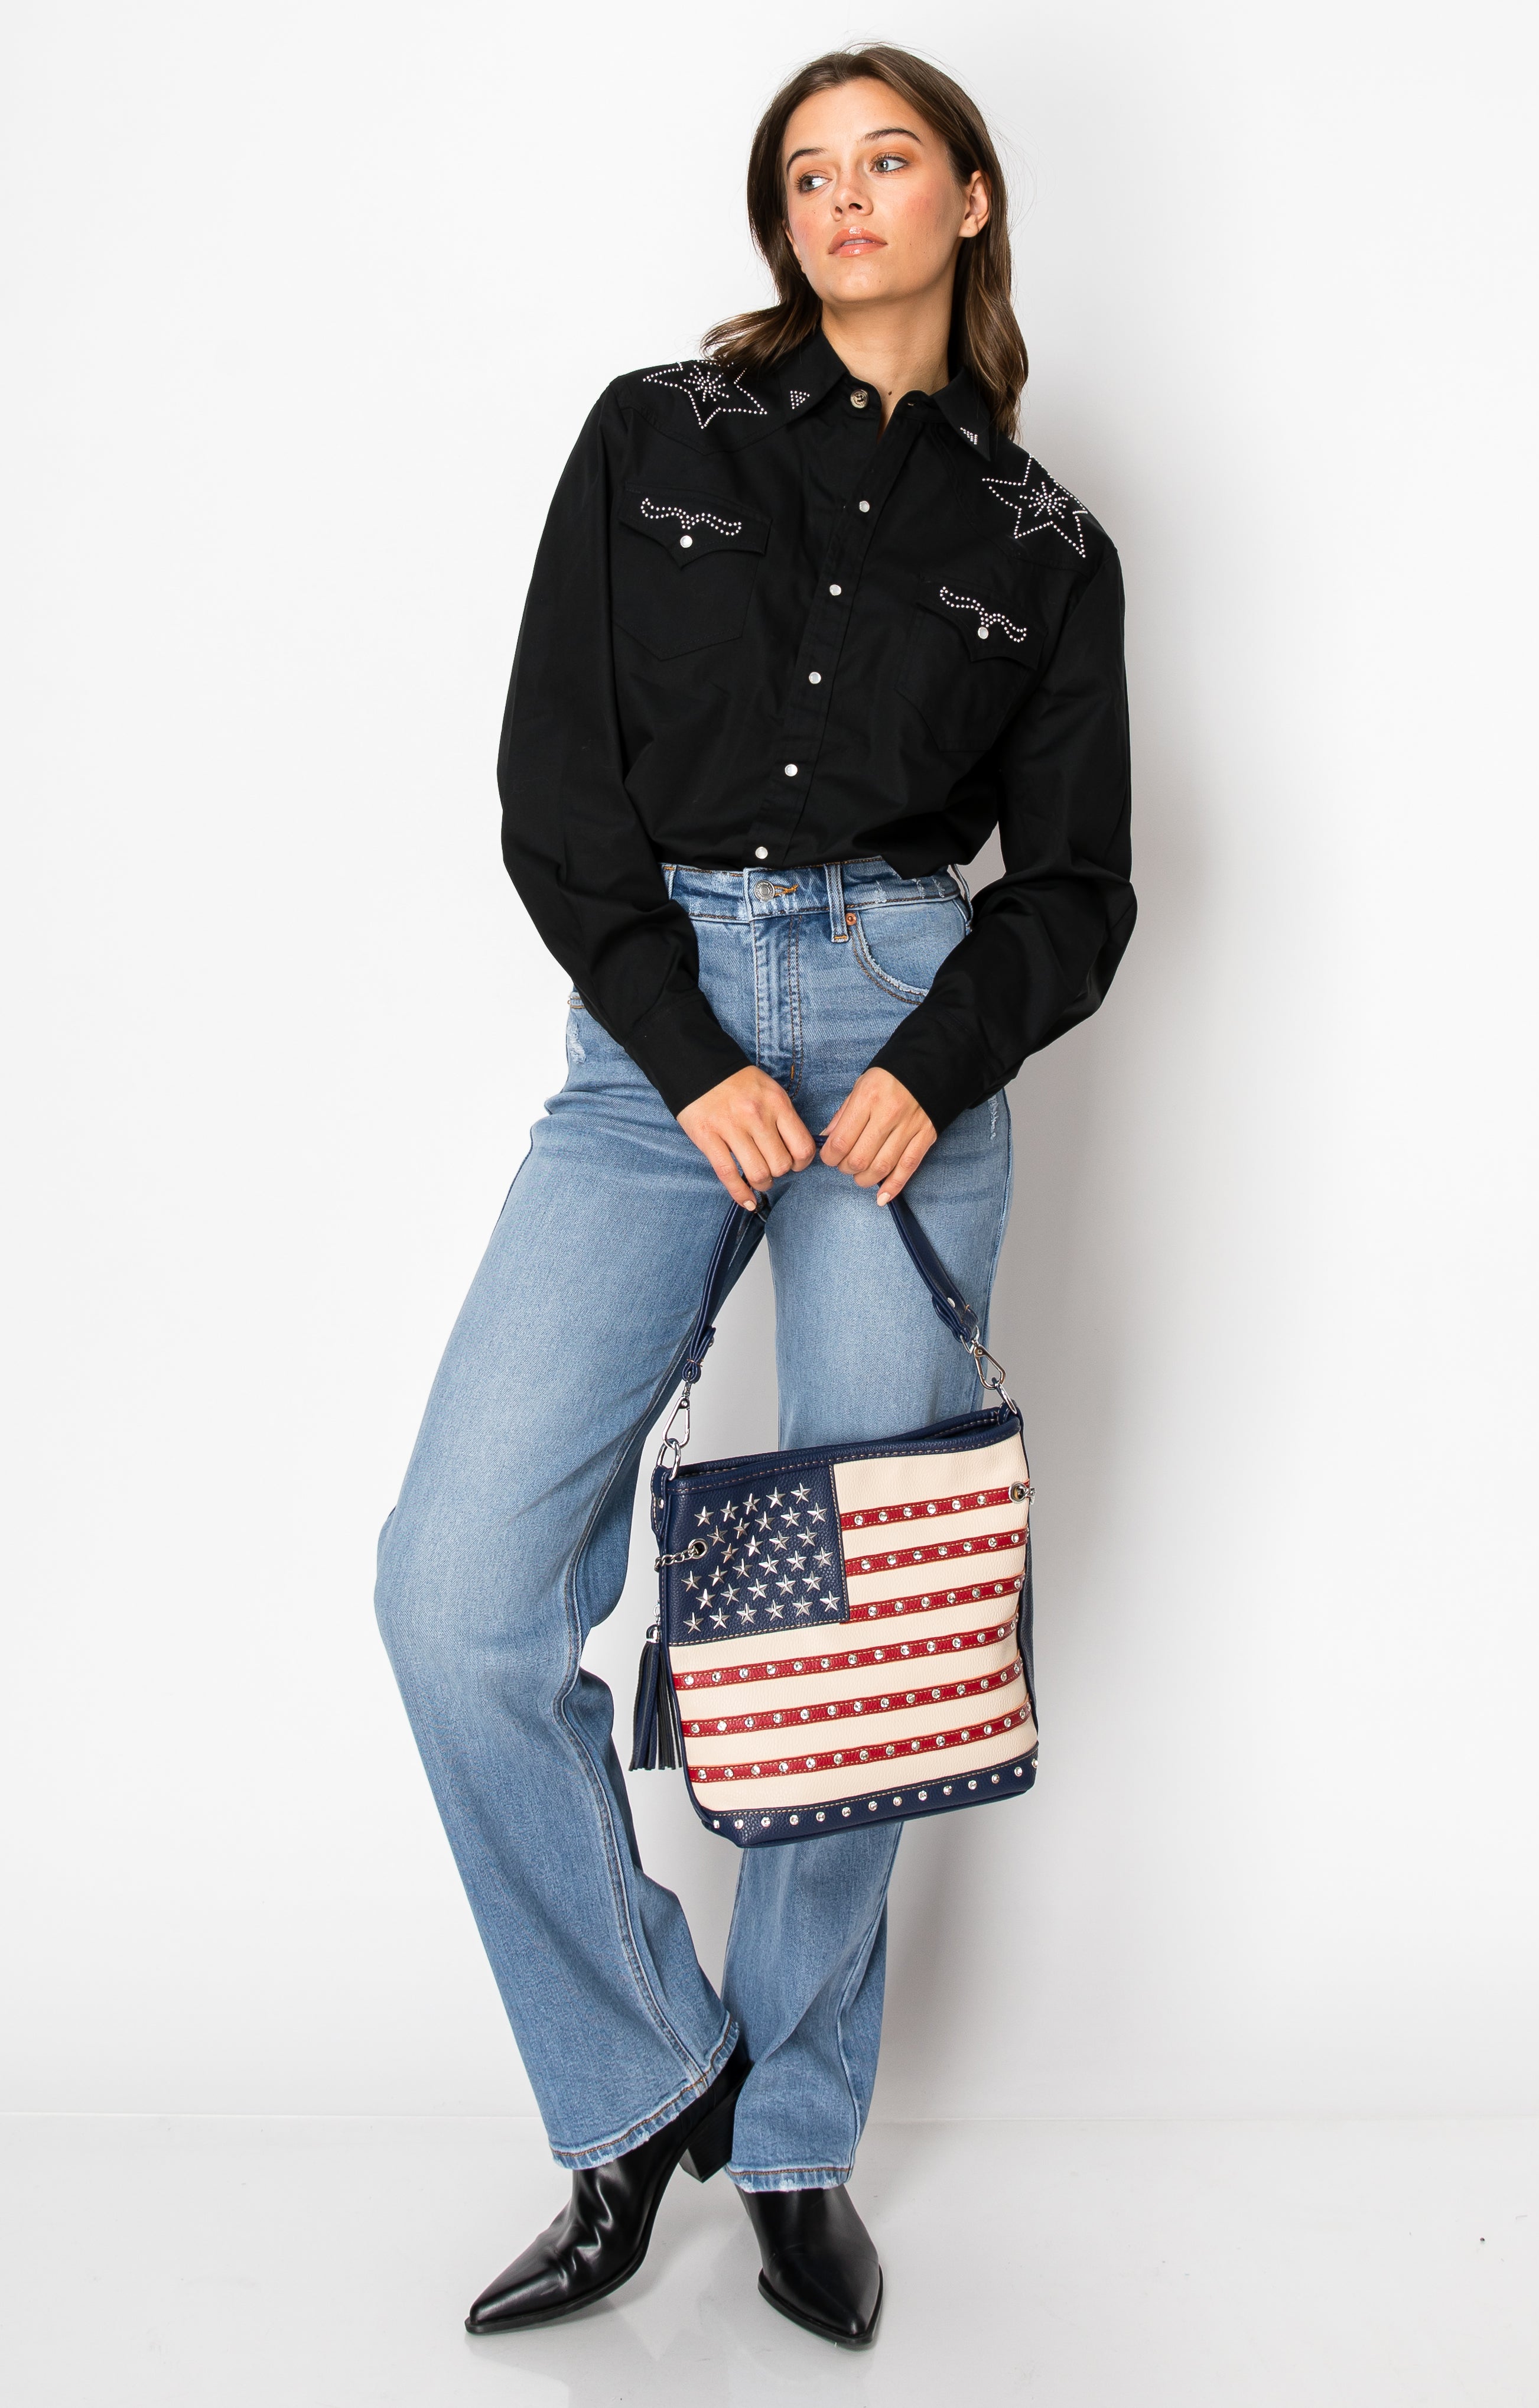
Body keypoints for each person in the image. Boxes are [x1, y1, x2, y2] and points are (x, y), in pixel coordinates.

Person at [376, 42, 1134, 2350]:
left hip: (908, 1037)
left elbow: (1081, 890)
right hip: (656, 1037)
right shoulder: (653, 437)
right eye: (805, 172)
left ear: (971, 201)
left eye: (886, 159)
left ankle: (794, 2144)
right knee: (456, 1587)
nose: (843, 198)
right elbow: (549, 779)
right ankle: (645, 2070)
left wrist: (929, 1059)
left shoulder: (1046, 544)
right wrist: (685, 1046)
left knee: (846, 1635)